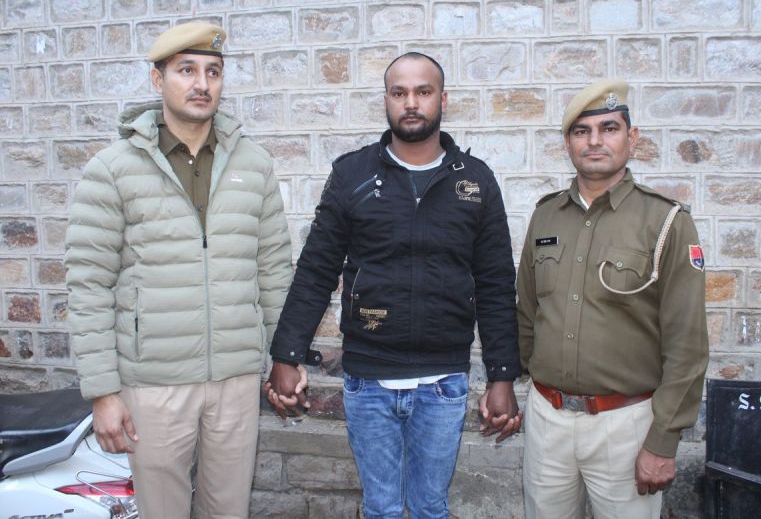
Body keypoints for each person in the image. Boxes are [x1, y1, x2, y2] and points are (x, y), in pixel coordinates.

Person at [264, 52, 522, 519]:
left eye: (423, 92)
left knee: (430, 509)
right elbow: (316, 269)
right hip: (368, 379)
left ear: (443, 100)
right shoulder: (352, 174)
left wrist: (502, 375)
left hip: (443, 382)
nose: (411, 103)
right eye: (399, 92)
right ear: (386, 100)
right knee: (380, 509)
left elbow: (496, 283)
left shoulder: (475, 181)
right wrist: (286, 355)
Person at [64, 22, 293, 518]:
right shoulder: (113, 169)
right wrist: (103, 393)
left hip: (235, 379)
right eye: (186, 70)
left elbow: (274, 269)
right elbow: (89, 285)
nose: (201, 84)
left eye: (213, 72)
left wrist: (285, 356)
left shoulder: (254, 164)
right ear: (158, 79)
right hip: (153, 383)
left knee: (228, 510)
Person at [517, 79, 709, 519]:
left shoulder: (666, 221)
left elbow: (687, 343)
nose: (595, 141)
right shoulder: (546, 215)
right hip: (547, 419)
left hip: (625, 426)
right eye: (581, 131)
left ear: (632, 137)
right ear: (568, 142)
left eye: (609, 128)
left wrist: (663, 441)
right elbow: (527, 312)